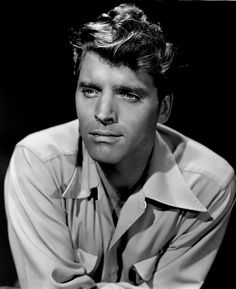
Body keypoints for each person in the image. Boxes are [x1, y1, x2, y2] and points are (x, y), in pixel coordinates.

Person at [4, 3, 235, 289]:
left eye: (128, 94)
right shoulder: (37, 161)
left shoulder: (208, 184)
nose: (103, 113)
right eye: (90, 90)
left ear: (163, 108)